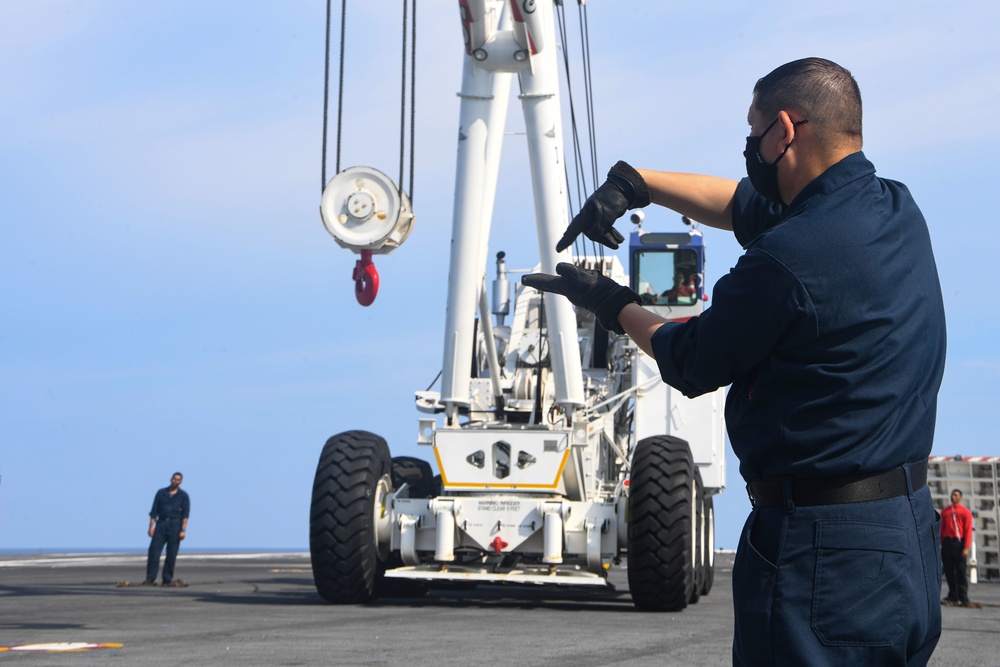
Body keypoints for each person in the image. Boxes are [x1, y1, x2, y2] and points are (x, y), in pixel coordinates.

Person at [525, 57, 946, 665]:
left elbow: (689, 359)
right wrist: (635, 182)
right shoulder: (896, 211)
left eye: (752, 134)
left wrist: (609, 302)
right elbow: (741, 204)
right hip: (904, 536)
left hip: (821, 551)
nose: (748, 148)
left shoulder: (786, 259)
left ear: (783, 130)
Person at [144, 472, 190, 586]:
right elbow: (154, 511)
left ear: (181, 482)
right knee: (153, 551)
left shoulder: (183, 496)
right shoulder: (161, 493)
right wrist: (151, 526)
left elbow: (185, 515)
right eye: (174, 479)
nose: (176, 481)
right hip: (161, 524)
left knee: (171, 553)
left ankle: (167, 579)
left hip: (175, 525)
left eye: (178, 479)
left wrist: (183, 530)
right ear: (171, 479)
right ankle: (150, 578)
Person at [940, 488, 974, 606]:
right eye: (952, 495)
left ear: (960, 497)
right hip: (947, 543)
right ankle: (953, 595)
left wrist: (966, 547)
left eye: (956, 495)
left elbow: (968, 530)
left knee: (961, 570)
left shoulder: (965, 512)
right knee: (949, 570)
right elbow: (942, 529)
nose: (953, 497)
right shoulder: (945, 512)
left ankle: (963, 596)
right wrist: (941, 542)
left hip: (959, 542)